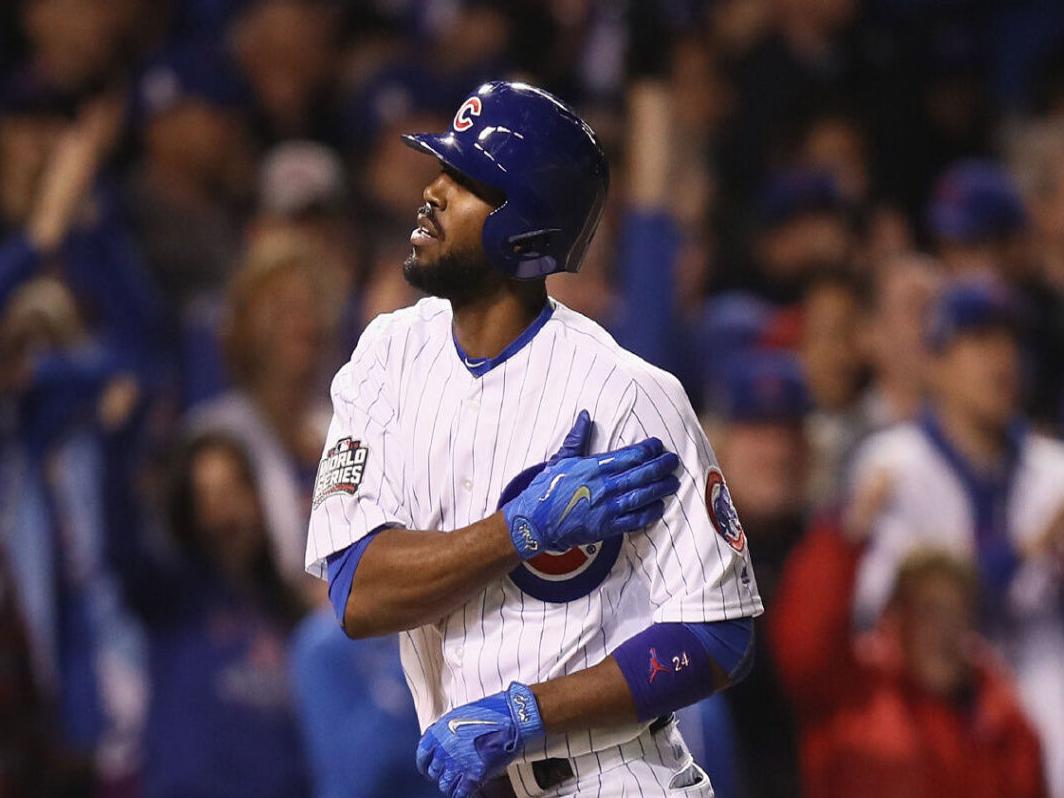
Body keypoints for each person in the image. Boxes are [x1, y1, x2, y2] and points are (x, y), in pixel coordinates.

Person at [305, 82, 762, 798]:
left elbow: (716, 637)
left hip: (616, 777)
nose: (432, 190)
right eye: (440, 169)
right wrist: (520, 530)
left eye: (467, 181)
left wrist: (530, 715)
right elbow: (359, 595)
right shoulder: (383, 358)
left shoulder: (630, 393)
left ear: (527, 232)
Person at [849, 276, 1064, 797]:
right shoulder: (891, 468)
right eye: (976, 342)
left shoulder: (1055, 470)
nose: (1000, 359)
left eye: (1007, 340)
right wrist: (1023, 552)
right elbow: (883, 615)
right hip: (935, 715)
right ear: (935, 364)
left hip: (1042, 688)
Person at [772, 516, 1047, 798]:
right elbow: (806, 642)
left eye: (957, 611)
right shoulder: (854, 695)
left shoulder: (1005, 721)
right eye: (929, 611)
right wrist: (844, 536)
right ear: (897, 617)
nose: (944, 629)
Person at [103, 425, 310, 798]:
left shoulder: (288, 610)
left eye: (234, 489)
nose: (226, 508)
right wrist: (119, 438)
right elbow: (121, 548)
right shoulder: (171, 596)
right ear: (188, 512)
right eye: (207, 495)